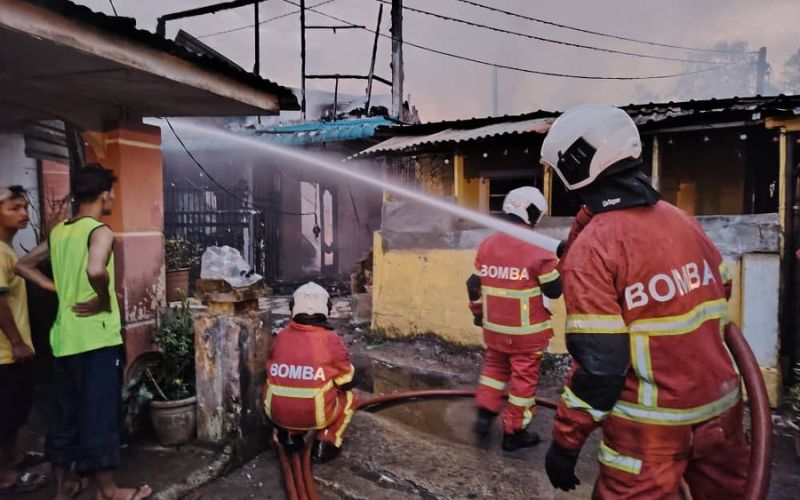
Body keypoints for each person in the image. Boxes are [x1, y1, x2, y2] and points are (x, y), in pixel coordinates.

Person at [539, 104, 747, 499]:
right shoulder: (680, 220)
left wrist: (565, 444)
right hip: (721, 412)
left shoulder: (594, 248)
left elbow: (600, 369)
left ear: (575, 163)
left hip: (650, 433)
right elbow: (720, 289)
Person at [16, 164, 151, 500]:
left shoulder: (60, 232)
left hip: (63, 340)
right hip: (96, 339)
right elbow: (95, 269)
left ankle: (65, 487)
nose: (113, 198)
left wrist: (55, 287)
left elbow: (22, 265)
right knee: (99, 414)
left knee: (65, 417)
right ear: (104, 194)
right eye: (112, 193)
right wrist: (103, 299)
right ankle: (107, 490)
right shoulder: (100, 231)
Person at [467, 187, 562, 451]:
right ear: (531, 212)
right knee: (523, 382)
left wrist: (478, 313)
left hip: (494, 331)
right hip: (526, 336)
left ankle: (484, 416)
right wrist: (563, 261)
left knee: (493, 372)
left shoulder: (487, 244)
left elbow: (473, 284)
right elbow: (554, 289)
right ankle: (514, 433)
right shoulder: (539, 248)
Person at [263, 282, 356, 464]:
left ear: (293, 308)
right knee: (350, 398)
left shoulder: (281, 336)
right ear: (326, 308)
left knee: (279, 385)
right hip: (316, 415)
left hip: (276, 414)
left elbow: (270, 367)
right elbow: (346, 379)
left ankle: (289, 436)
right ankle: (326, 442)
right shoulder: (331, 339)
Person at [0, 186, 47, 495]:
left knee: (15, 411)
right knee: (6, 415)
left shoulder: (7, 250)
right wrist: (17, 342)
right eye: (14, 208)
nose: (23, 214)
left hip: (11, 351)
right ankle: (5, 476)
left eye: (25, 207)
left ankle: (14, 457)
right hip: (5, 352)